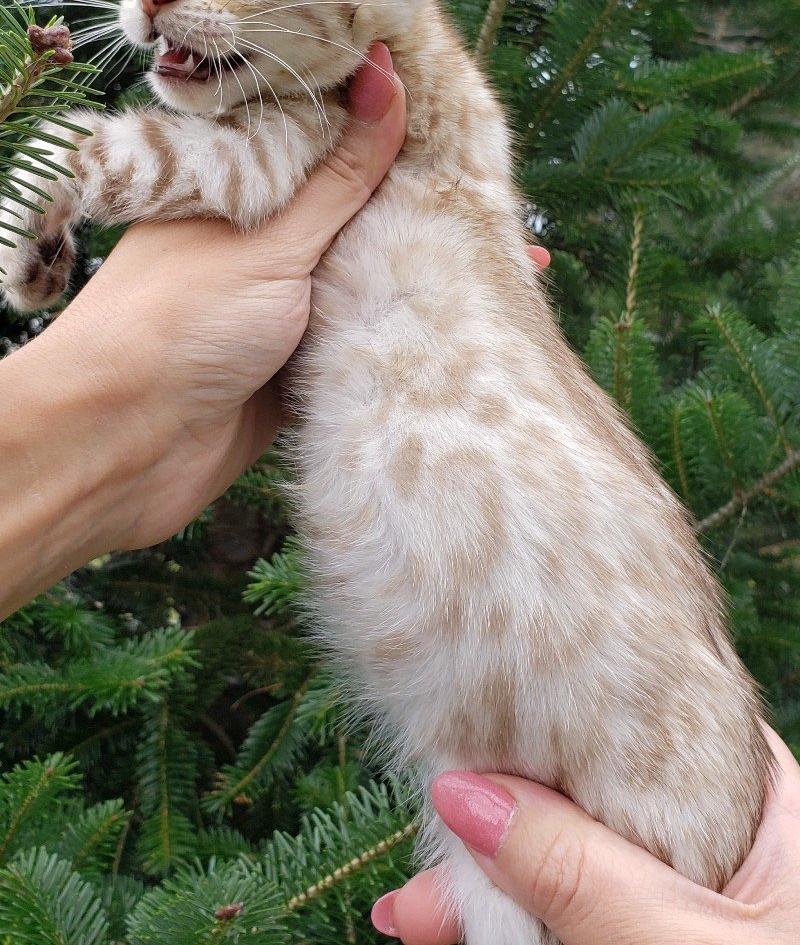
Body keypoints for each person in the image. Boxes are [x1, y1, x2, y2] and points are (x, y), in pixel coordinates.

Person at [0, 46, 797, 943]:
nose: (150, 1)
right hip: (638, 742)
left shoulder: (335, 97)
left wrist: (71, 162)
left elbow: (139, 160)